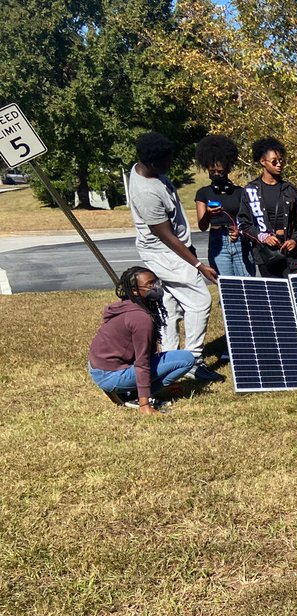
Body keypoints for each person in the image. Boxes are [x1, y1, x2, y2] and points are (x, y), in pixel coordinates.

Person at [126, 131, 223, 383]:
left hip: (170, 249)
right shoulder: (146, 192)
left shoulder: (145, 170)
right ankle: (192, 361)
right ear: (154, 162)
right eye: (167, 161)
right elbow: (164, 234)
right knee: (200, 301)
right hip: (164, 254)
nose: (171, 165)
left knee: (168, 303)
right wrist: (198, 264)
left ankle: (169, 360)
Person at [87, 266, 198, 414]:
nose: (156, 287)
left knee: (171, 359)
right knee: (185, 358)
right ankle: (134, 396)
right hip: (111, 376)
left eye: (156, 282)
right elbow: (142, 362)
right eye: (150, 285)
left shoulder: (129, 306)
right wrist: (145, 405)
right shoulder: (140, 318)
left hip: (100, 370)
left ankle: (128, 390)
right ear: (134, 291)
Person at [238, 137, 297, 278]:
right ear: (262, 162)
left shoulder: (291, 190)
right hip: (267, 256)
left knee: (295, 296)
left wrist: (295, 240)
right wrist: (263, 236)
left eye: (281, 161)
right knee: (275, 297)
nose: (279, 164)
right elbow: (243, 224)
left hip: (291, 255)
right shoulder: (251, 191)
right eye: (274, 161)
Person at [193, 134, 255, 278]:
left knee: (248, 286)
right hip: (217, 242)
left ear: (227, 169)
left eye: (220, 172)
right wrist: (208, 213)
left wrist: (239, 230)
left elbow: (249, 220)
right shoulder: (203, 193)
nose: (216, 175)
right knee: (227, 287)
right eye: (212, 172)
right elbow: (202, 226)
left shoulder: (240, 192)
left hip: (240, 241)